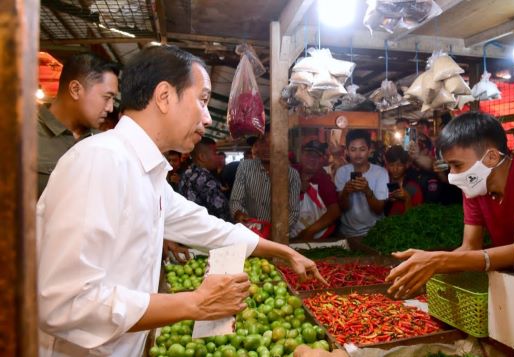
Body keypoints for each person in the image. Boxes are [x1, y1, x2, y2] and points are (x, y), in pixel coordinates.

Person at [37, 45, 325, 356]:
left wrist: (282, 252)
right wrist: (195, 303)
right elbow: (63, 302)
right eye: (202, 101)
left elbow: (205, 226)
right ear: (164, 96)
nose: (206, 117)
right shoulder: (101, 162)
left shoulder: (144, 171)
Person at [386, 112, 514, 299]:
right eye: (449, 166)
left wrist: (438, 260)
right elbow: (470, 247)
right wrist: (424, 271)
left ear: (490, 158)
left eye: (457, 165)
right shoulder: (475, 185)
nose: (452, 174)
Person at [37, 53, 119, 196]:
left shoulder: (104, 143)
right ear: (75, 89)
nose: (110, 108)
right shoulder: (21, 135)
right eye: (106, 97)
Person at [230, 127, 301, 227]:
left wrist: (275, 232)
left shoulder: (292, 175)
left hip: (279, 235)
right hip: (251, 232)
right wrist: (239, 214)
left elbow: (293, 213)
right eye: (263, 141)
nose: (267, 147)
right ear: (257, 144)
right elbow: (235, 201)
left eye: (273, 143)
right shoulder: (245, 167)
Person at [335, 129, 389, 237]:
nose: (358, 154)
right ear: (347, 151)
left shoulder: (381, 173)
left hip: (375, 233)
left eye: (362, 149)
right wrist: (346, 192)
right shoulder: (342, 172)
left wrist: (367, 191)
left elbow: (379, 210)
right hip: (347, 232)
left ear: (369, 151)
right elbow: (342, 208)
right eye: (353, 149)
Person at [291, 140, 341, 240]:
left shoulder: (324, 180)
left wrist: (310, 231)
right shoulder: (291, 172)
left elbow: (335, 211)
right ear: (301, 155)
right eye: (308, 154)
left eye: (317, 156)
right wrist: (296, 190)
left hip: (317, 237)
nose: (312, 159)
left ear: (322, 160)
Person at [178, 136, 231, 222]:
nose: (217, 156)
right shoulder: (204, 178)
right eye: (215, 153)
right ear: (202, 157)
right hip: (207, 229)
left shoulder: (186, 173)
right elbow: (222, 210)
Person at [384, 145, 423, 216]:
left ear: (406, 165)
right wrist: (386, 199)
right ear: (386, 165)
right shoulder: (382, 182)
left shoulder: (413, 187)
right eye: (391, 165)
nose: (395, 169)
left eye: (399, 165)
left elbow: (415, 216)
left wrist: (407, 199)